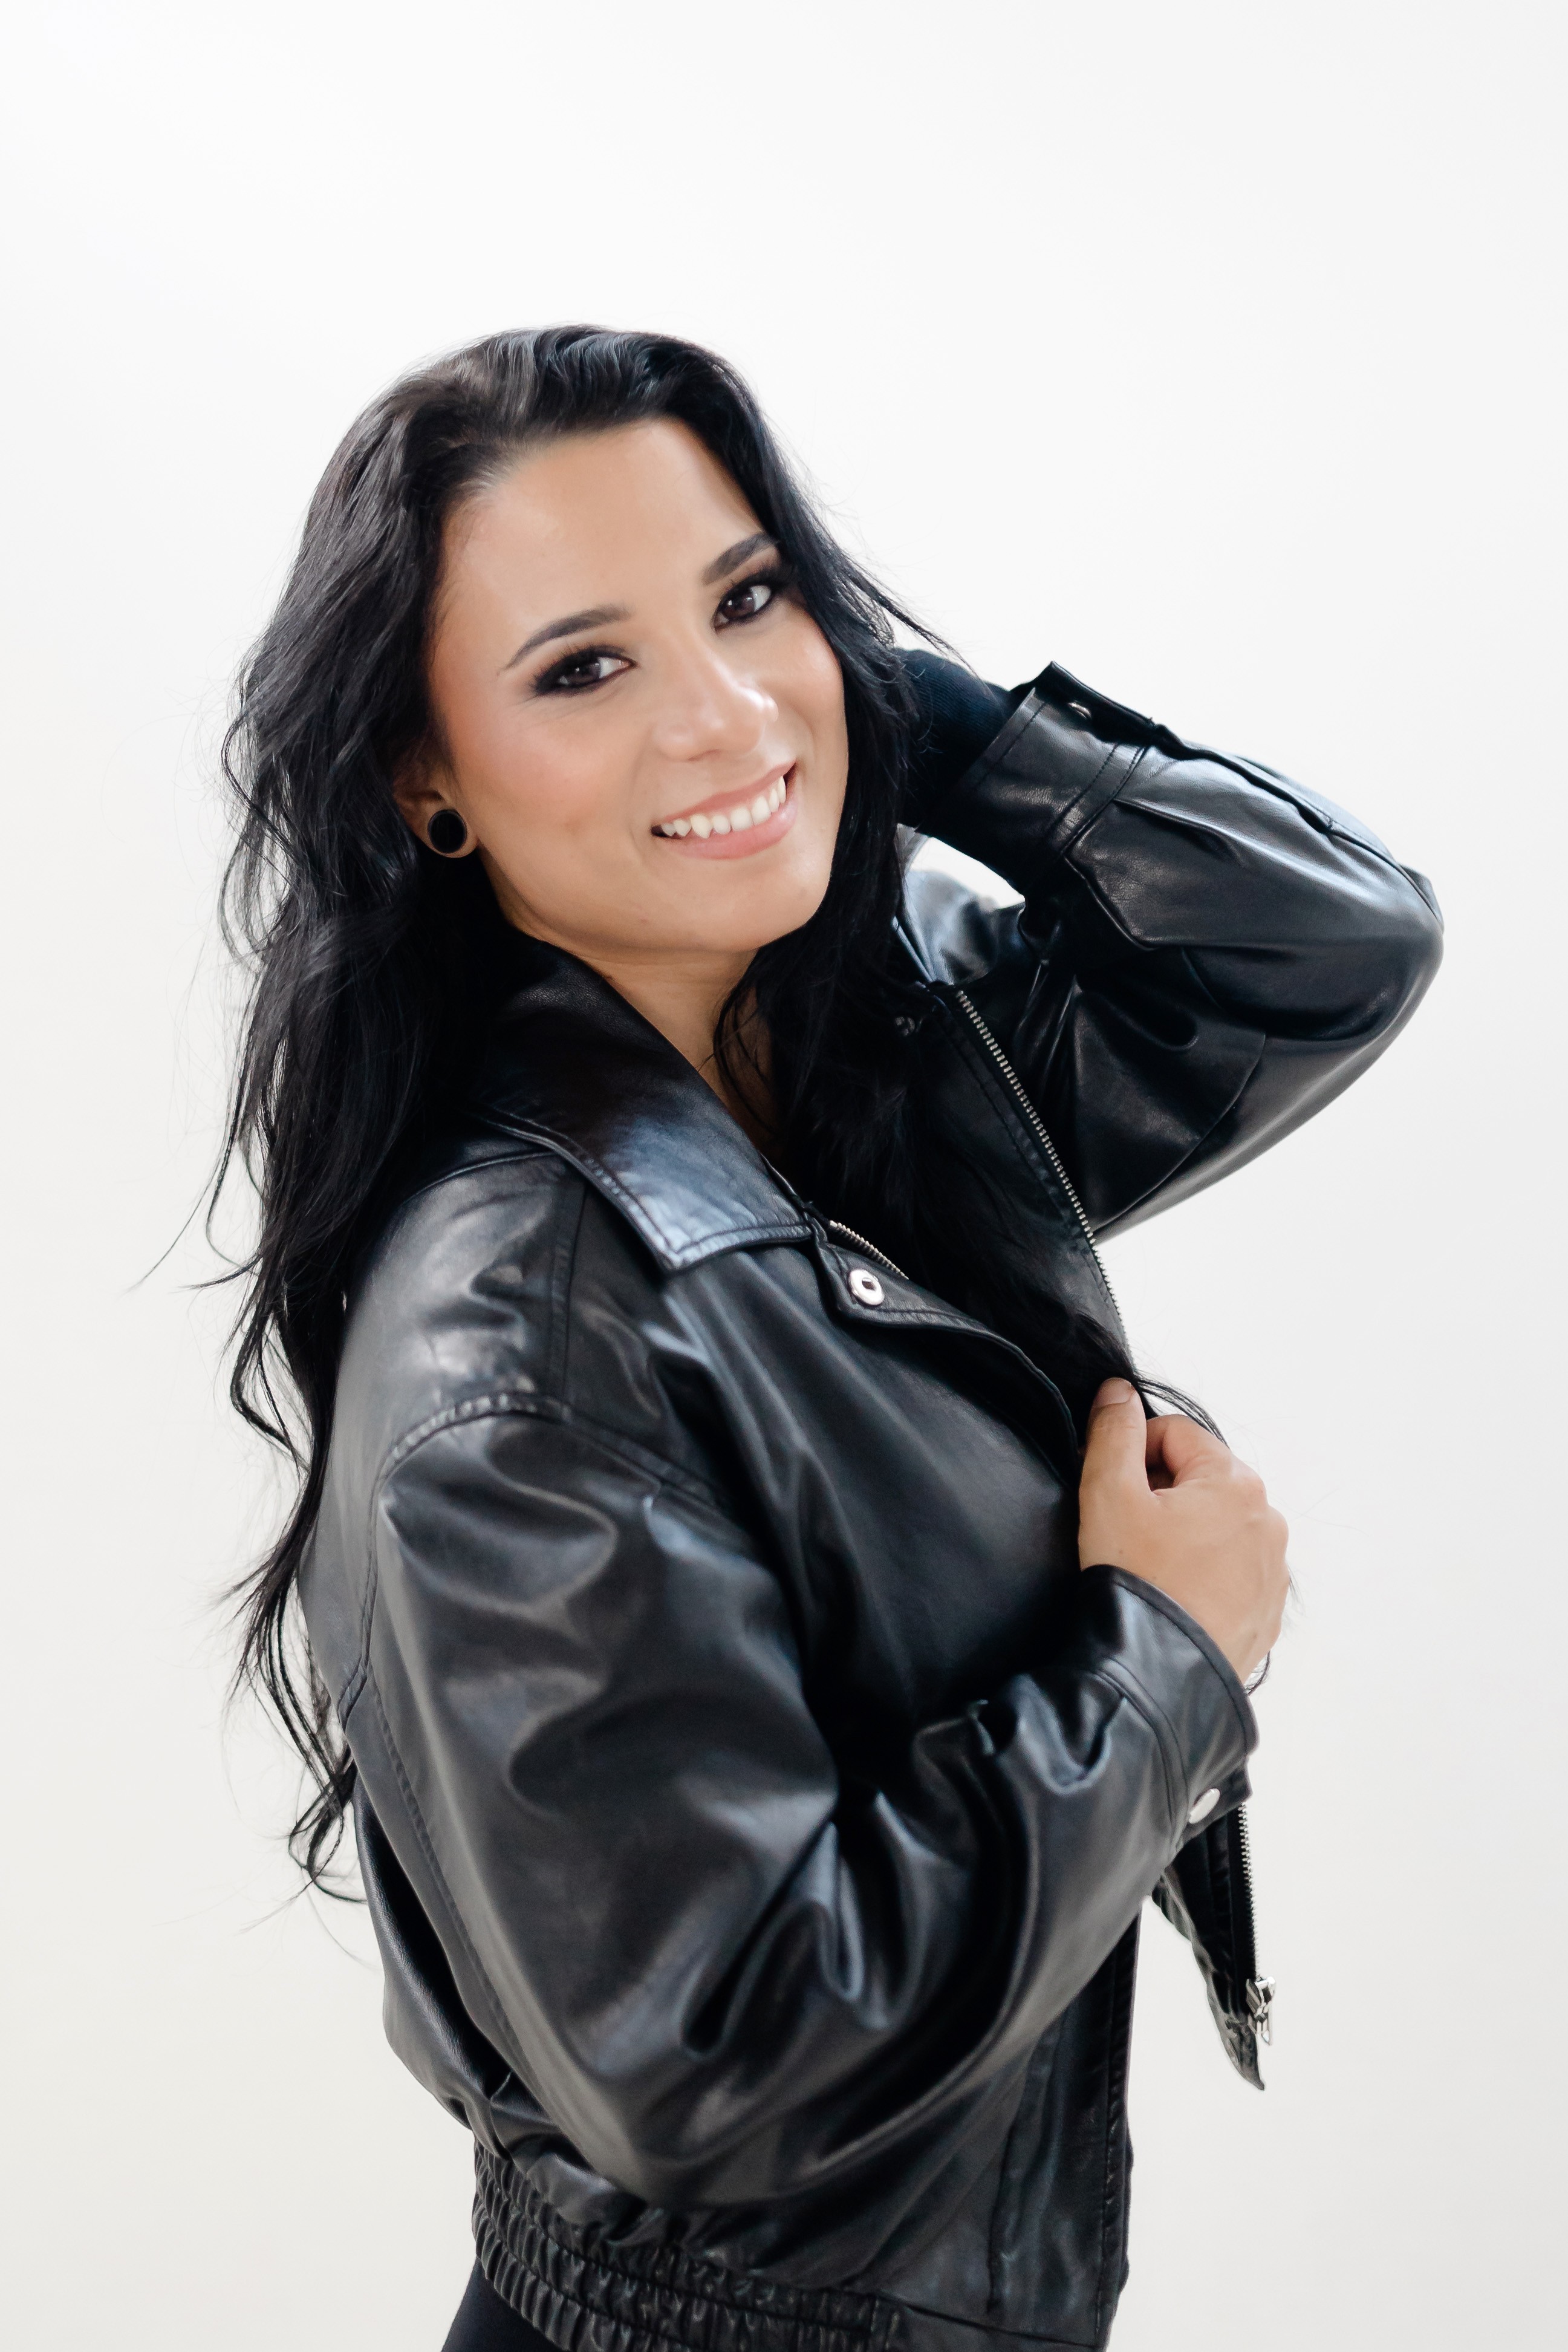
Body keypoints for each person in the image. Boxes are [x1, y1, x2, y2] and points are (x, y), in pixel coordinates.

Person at [216, 328, 1441, 2352]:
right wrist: (1164, 1654)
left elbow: (1321, 943)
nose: (714, 712)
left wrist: (876, 710)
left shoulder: (868, 1051)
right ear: (423, 780)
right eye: (581, 667)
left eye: (746, 594)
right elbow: (721, 2053)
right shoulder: (514, 1336)